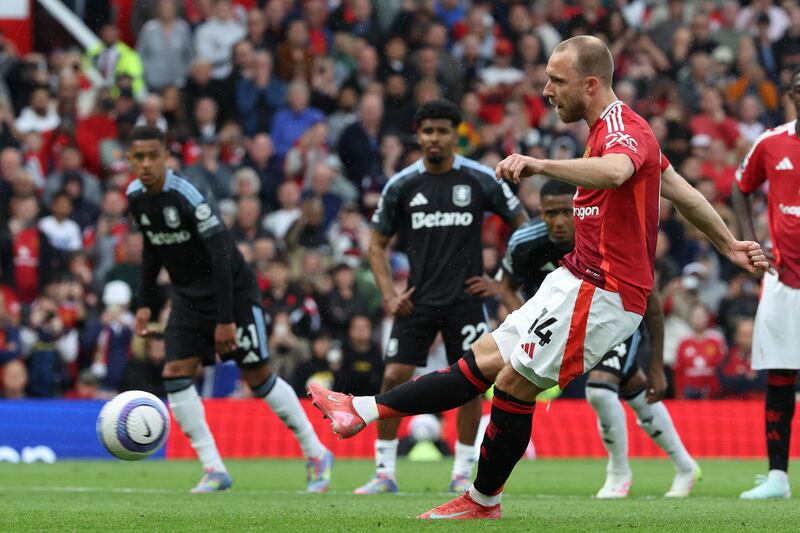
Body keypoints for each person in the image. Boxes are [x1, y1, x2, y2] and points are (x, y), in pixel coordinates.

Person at [308, 36, 768, 520]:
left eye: (557, 80)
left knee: (512, 385)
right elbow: (683, 192)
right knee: (483, 359)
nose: (547, 90)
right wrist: (729, 244)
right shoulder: (605, 129)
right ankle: (360, 410)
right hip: (575, 279)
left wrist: (539, 164)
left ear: (591, 84)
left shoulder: (624, 131)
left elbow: (614, 173)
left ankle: (483, 500)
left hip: (605, 291)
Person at [125, 125, 332, 493]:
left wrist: (225, 321)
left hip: (232, 292)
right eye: (137, 156)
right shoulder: (135, 198)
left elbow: (222, 258)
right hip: (187, 297)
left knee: (258, 379)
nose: (144, 164)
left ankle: (316, 452)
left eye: (151, 156)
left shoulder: (189, 195)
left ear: (165, 158)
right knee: (175, 372)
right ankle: (214, 468)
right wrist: (144, 303)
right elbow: (152, 249)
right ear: (130, 159)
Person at [358, 99, 527, 496]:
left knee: (471, 383)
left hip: (465, 300)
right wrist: (388, 294)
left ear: (456, 135)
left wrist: (500, 279)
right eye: (428, 131)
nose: (435, 138)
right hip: (416, 301)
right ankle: (384, 472)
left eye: (443, 131)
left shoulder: (479, 179)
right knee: (395, 377)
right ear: (419, 136)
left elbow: (523, 227)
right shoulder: (402, 185)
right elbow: (376, 245)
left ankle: (461, 471)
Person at [495, 178, 699, 499]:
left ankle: (619, 474)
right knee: (633, 389)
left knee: (601, 391)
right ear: (540, 212)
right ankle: (686, 466)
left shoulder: (609, 235)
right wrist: (529, 326)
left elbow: (653, 300)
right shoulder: (526, 241)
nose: (559, 221)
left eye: (567, 211)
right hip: (567, 322)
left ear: (580, 208)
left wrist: (657, 363)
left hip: (615, 317)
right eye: (550, 213)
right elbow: (505, 284)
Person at [732, 66, 800, 500]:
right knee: (781, 374)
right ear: (792, 93)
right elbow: (741, 188)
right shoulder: (771, 142)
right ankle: (777, 477)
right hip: (783, 280)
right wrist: (750, 239)